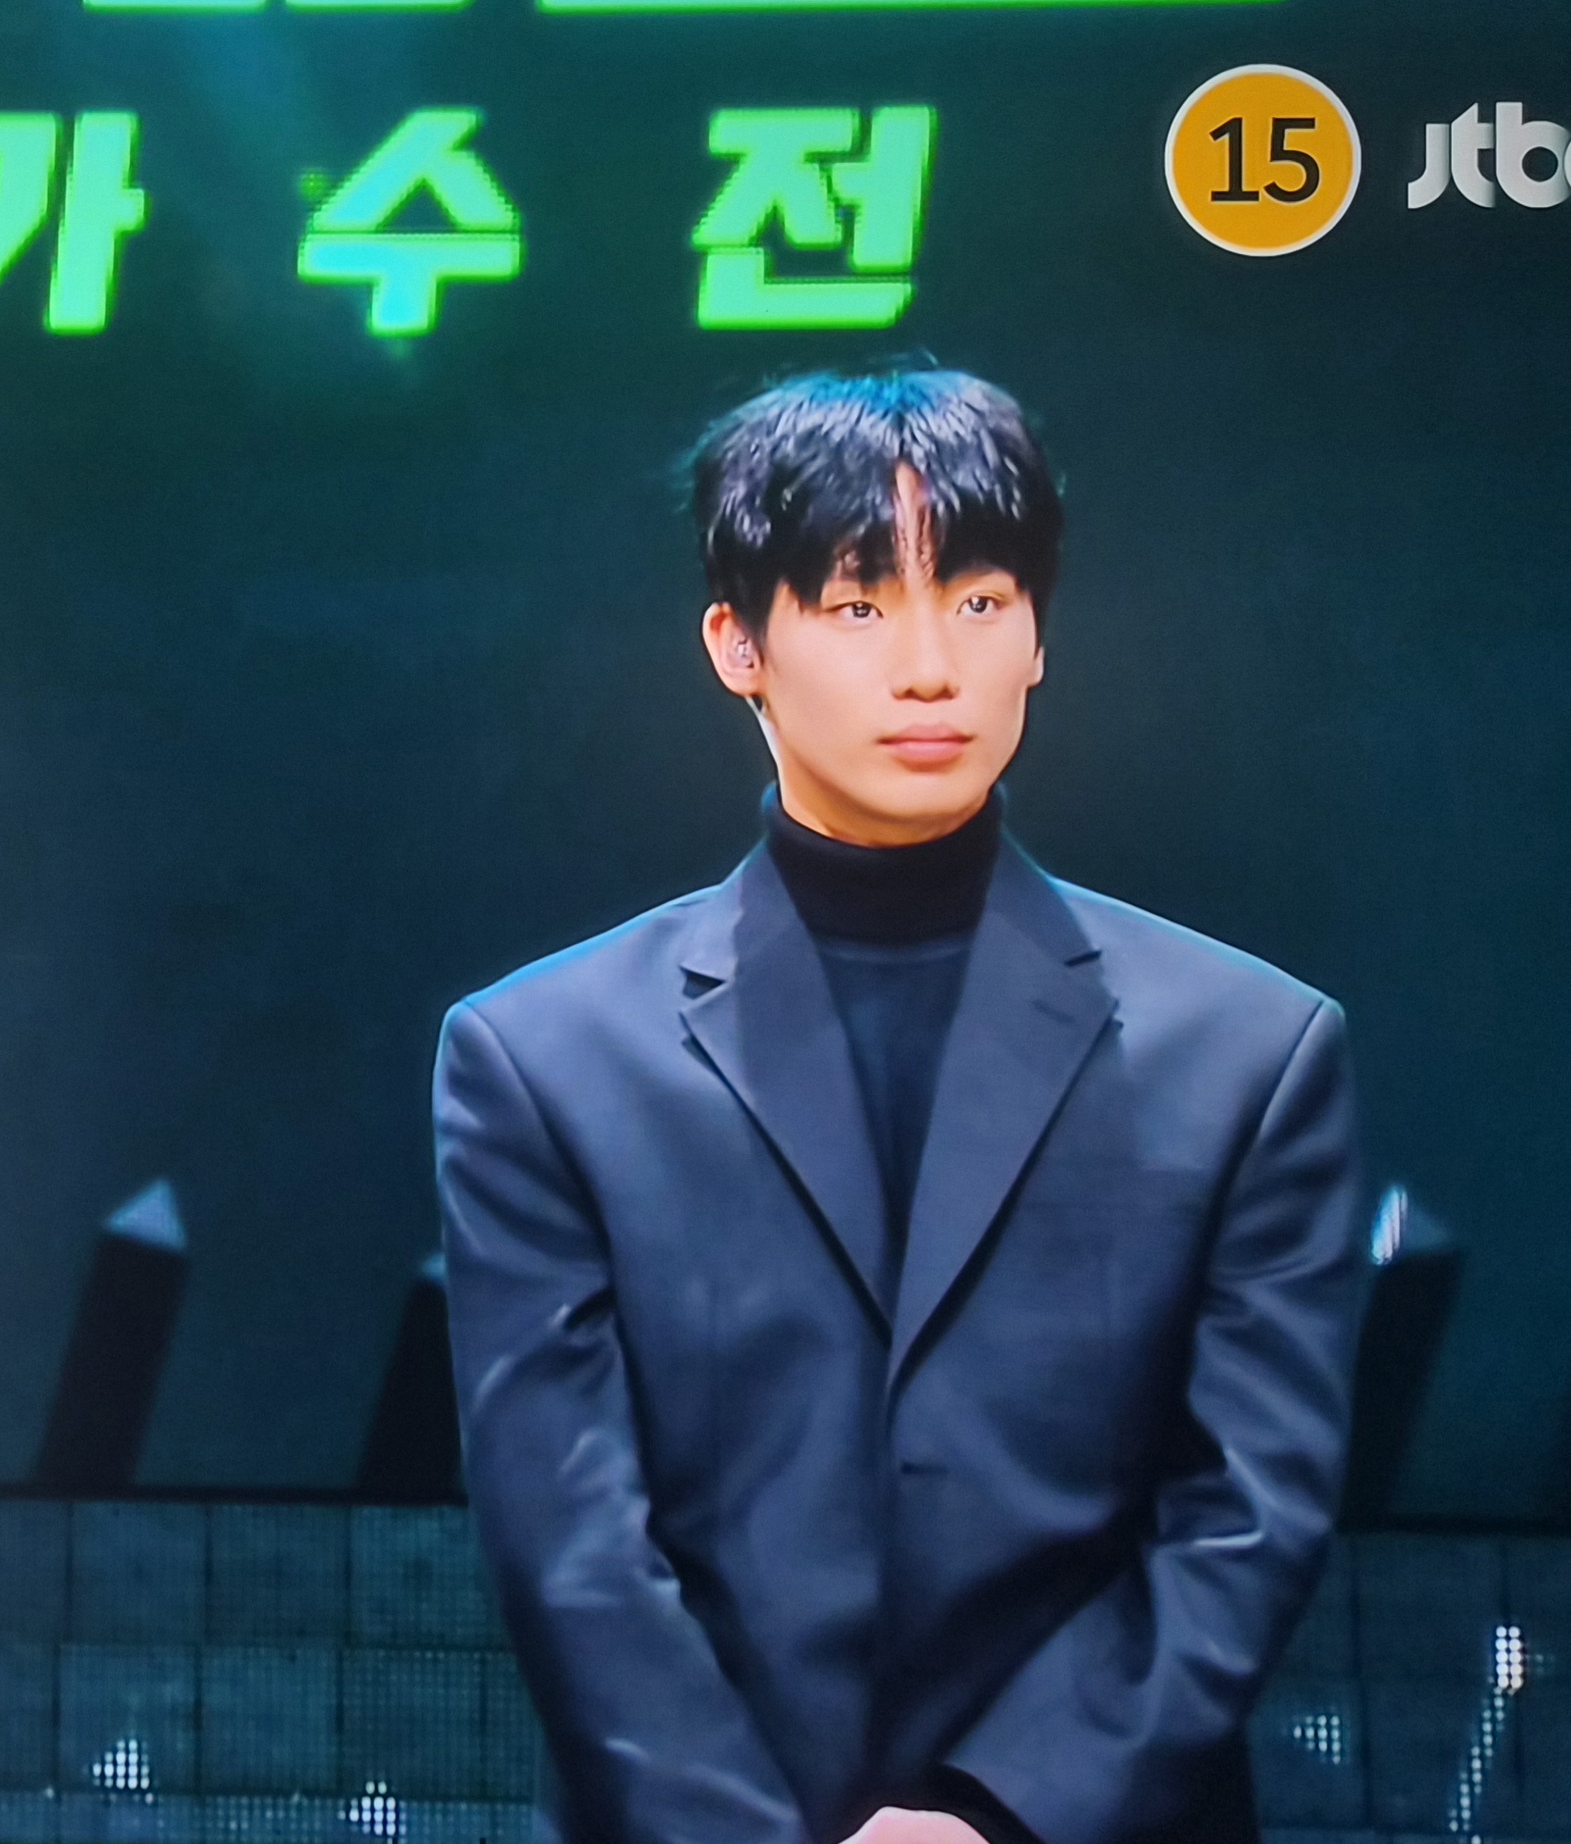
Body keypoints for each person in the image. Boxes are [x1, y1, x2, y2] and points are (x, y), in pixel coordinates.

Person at [434, 369, 1361, 1844]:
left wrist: (992, 1816)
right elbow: (567, 1543)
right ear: (737, 645)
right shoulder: (542, 1059)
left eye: (979, 601)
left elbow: (1245, 1513)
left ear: (1038, 637)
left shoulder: (1246, 1050)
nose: (931, 668)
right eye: (859, 606)